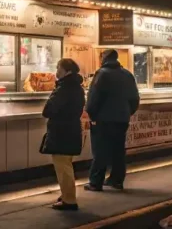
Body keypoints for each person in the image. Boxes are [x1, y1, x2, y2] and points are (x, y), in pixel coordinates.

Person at [84, 49, 139, 192]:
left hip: (103, 119)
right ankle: (117, 180)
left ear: (104, 58)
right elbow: (135, 99)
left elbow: (93, 98)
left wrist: (92, 115)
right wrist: (126, 113)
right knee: (118, 150)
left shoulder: (101, 74)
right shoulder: (128, 75)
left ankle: (96, 182)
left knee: (100, 150)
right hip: (121, 119)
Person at [41, 59, 85, 211]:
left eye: (59, 68)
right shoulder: (76, 87)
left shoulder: (64, 88)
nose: (56, 71)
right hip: (70, 129)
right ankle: (67, 194)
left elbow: (48, 110)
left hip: (62, 130)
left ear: (68, 71)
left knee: (62, 166)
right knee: (66, 164)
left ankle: (69, 200)